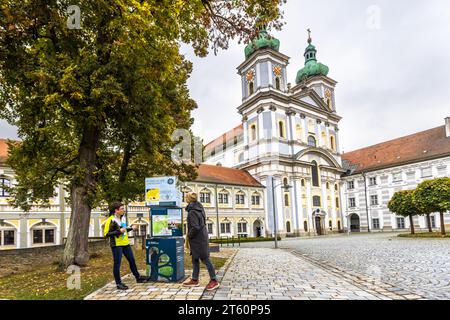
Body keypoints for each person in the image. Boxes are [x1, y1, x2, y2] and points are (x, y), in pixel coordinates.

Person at [104, 202, 149, 290]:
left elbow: (123, 229)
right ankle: (118, 283)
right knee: (117, 264)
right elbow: (106, 234)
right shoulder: (111, 220)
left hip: (125, 243)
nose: (123, 210)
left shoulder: (122, 218)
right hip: (117, 245)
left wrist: (131, 228)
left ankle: (138, 277)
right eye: (122, 209)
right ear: (116, 210)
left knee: (132, 260)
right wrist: (119, 231)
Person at [183, 192, 220, 291]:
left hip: (197, 239)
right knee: (195, 259)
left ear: (189, 199)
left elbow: (195, 227)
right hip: (201, 237)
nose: (185, 198)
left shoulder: (192, 212)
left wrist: (189, 236)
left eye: (186, 197)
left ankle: (214, 280)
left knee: (205, 259)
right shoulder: (199, 208)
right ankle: (195, 279)